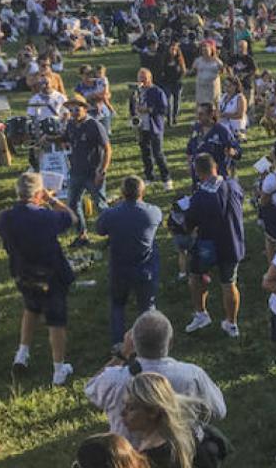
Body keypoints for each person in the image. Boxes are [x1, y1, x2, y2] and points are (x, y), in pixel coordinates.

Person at [86, 310, 225, 446]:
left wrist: (123, 353)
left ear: (133, 343)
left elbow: (90, 388)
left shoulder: (113, 379)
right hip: (179, 456)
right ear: (170, 343)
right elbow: (219, 411)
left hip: (128, 458)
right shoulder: (192, 375)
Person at [0, 170, 77, 386]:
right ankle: (59, 369)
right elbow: (71, 217)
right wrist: (52, 200)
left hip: (23, 272)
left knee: (31, 308)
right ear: (39, 193)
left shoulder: (5, 218)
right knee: (56, 321)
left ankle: (22, 354)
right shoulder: (46, 216)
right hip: (51, 274)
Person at [94, 176, 164, 350]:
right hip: (145, 268)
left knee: (118, 305)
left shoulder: (111, 214)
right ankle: (150, 343)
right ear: (142, 192)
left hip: (120, 268)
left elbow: (100, 229)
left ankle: (119, 343)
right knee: (147, 307)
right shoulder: (153, 212)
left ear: (122, 193)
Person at [182, 152, 245, 338]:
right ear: (215, 167)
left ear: (199, 173)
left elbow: (188, 225)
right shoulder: (234, 185)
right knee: (229, 284)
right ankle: (231, 323)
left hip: (207, 246)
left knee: (195, 277)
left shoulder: (200, 197)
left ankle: (201, 314)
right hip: (233, 243)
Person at [64, 91, 113, 245]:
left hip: (93, 173)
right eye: (70, 110)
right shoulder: (71, 124)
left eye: (76, 109)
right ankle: (82, 234)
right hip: (76, 172)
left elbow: (108, 149)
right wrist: (50, 137)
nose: (73, 113)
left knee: (101, 205)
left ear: (85, 109)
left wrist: (102, 171)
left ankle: (113, 236)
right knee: (72, 203)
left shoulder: (94, 125)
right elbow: (66, 138)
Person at [132, 66, 174, 190]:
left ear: (150, 78)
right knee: (145, 153)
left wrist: (149, 110)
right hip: (141, 126)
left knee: (158, 153)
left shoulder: (157, 91)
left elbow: (164, 109)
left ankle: (166, 179)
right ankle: (149, 176)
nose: (142, 81)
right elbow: (132, 105)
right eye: (140, 78)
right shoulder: (136, 91)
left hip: (154, 126)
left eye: (144, 78)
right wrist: (134, 111)